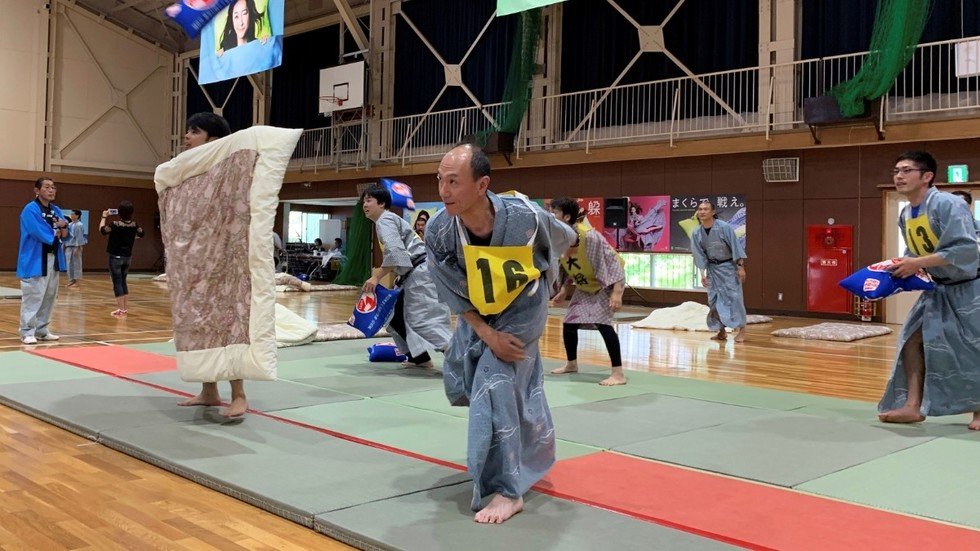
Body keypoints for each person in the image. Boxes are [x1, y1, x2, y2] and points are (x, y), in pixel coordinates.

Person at [426, 144, 576, 524]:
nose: (444, 190)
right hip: (477, 311)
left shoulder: (525, 216)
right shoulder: (440, 228)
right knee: (470, 379)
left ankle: (506, 490)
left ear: (482, 184)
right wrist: (484, 333)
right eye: (440, 180)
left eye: (454, 182)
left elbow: (562, 236)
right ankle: (530, 454)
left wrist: (570, 248)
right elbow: (447, 288)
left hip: (524, 306)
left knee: (493, 383)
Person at [878, 151, 980, 430]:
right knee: (911, 341)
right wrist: (894, 269)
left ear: (927, 176)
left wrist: (916, 263)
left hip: (971, 288)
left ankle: (979, 411)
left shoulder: (949, 204)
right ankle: (913, 405)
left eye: (907, 170)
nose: (899, 176)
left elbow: (964, 248)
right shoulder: (906, 213)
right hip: (938, 290)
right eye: (896, 170)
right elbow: (915, 251)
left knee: (973, 348)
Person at [171, 112, 250, 418]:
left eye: (194, 131)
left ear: (213, 139)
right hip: (195, 260)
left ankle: (239, 394)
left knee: (228, 324)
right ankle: (208, 390)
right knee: (198, 324)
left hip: (225, 259)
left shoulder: (230, 168)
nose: (186, 137)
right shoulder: (187, 170)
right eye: (187, 131)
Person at [361, 183, 451, 368]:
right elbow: (398, 255)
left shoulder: (385, 220)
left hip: (421, 274)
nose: (365, 204)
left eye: (369, 200)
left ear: (381, 203)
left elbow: (396, 253)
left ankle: (462, 361)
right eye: (364, 201)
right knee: (394, 317)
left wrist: (376, 277)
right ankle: (419, 358)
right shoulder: (386, 221)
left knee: (424, 321)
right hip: (413, 274)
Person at [548, 197, 627, 386]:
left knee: (603, 325)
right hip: (584, 286)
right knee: (569, 324)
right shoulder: (561, 240)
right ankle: (571, 364)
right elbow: (569, 267)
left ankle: (618, 374)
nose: (551, 216)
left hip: (605, 285)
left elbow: (614, 265)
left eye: (555, 213)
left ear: (566, 217)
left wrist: (617, 293)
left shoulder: (590, 237)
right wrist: (565, 290)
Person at [18, 177, 68, 345]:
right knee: (33, 295)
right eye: (47, 187)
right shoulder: (30, 209)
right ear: (37, 190)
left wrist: (62, 228)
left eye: (53, 187)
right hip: (35, 258)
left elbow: (65, 231)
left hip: (53, 258)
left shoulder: (56, 210)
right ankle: (27, 331)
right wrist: (58, 229)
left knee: (49, 296)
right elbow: (38, 231)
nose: (51, 190)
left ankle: (41, 329)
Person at [691, 199, 747, 343]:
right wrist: (702, 274)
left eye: (705, 209)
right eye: (700, 209)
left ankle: (742, 330)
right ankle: (721, 331)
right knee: (714, 301)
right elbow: (699, 254)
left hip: (728, 268)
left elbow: (735, 247)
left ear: (713, 212)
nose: (702, 212)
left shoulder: (724, 227)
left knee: (734, 299)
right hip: (712, 269)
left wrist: (740, 267)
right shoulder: (697, 232)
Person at [99, 202, 145, 318]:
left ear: (119, 212)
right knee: (123, 281)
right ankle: (124, 308)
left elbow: (102, 231)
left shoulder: (115, 224)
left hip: (115, 257)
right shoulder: (134, 225)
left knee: (117, 283)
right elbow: (142, 233)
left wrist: (104, 217)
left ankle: (121, 309)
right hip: (127, 257)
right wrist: (131, 237)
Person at [63, 209, 87, 287]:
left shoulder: (79, 225)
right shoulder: (70, 224)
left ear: (77, 216)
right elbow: (67, 235)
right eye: (71, 214)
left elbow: (79, 237)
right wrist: (64, 243)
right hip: (69, 246)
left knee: (76, 264)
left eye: (73, 214)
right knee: (69, 264)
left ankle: (77, 281)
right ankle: (71, 280)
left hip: (76, 246)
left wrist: (77, 247)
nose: (72, 215)